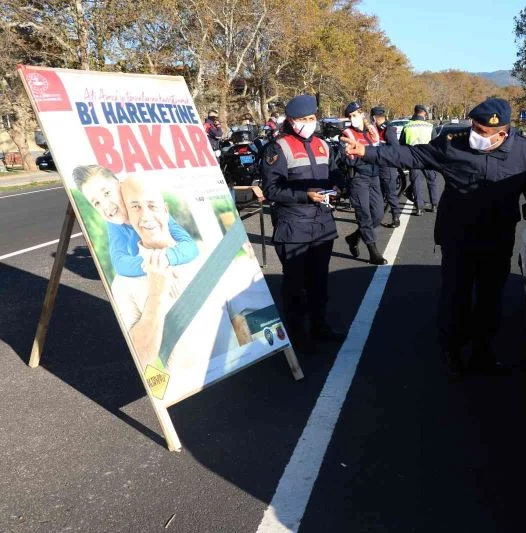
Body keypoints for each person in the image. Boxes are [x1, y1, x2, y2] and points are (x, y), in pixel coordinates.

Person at [342, 98, 526, 376]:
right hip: (458, 237)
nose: (475, 134)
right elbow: (412, 156)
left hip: (497, 238)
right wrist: (367, 151)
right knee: (455, 296)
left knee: (490, 299)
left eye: (483, 132)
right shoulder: (452, 142)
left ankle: (483, 352)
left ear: (503, 133)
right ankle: (452, 351)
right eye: (474, 126)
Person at [111, 176, 263, 380]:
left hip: (231, 370)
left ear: (165, 210)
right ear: (127, 216)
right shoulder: (123, 282)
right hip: (181, 386)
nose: (146, 215)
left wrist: (253, 356)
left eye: (152, 205)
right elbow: (143, 358)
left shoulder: (206, 252)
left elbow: (237, 314)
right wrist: (156, 294)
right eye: (135, 206)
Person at [261, 94, 346, 353]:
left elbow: (336, 172)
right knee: (295, 287)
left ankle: (319, 326)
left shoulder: (323, 144)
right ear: (291, 120)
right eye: (303, 119)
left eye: (312, 118)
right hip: (293, 226)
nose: (309, 123)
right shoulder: (278, 147)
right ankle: (297, 337)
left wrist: (338, 187)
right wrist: (303, 195)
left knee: (319, 282)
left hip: (322, 224)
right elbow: (271, 189)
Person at [72, 164, 199, 277]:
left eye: (107, 193)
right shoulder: (115, 225)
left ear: (120, 185)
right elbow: (120, 263)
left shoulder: (150, 210)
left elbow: (190, 246)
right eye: (97, 203)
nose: (106, 206)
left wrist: (164, 259)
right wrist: (152, 265)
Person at [340, 101, 388, 264]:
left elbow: (380, 151)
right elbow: (348, 159)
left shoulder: (372, 130)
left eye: (355, 115)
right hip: (358, 178)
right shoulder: (347, 133)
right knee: (364, 215)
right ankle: (373, 252)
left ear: (362, 114)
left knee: (378, 214)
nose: (353, 118)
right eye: (350, 116)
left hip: (374, 176)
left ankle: (354, 237)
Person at [401, 104, 440, 216]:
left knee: (416, 183)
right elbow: (435, 144)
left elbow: (402, 144)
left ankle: (419, 208)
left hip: (413, 159)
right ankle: (435, 205)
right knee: (432, 181)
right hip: (427, 159)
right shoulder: (429, 126)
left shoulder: (407, 126)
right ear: (423, 113)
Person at [371, 106, 401, 228]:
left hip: (387, 168)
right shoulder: (377, 129)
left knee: (390, 194)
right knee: (379, 194)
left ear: (374, 118)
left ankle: (396, 217)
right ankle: (377, 216)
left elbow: (395, 149)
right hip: (379, 166)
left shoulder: (388, 130)